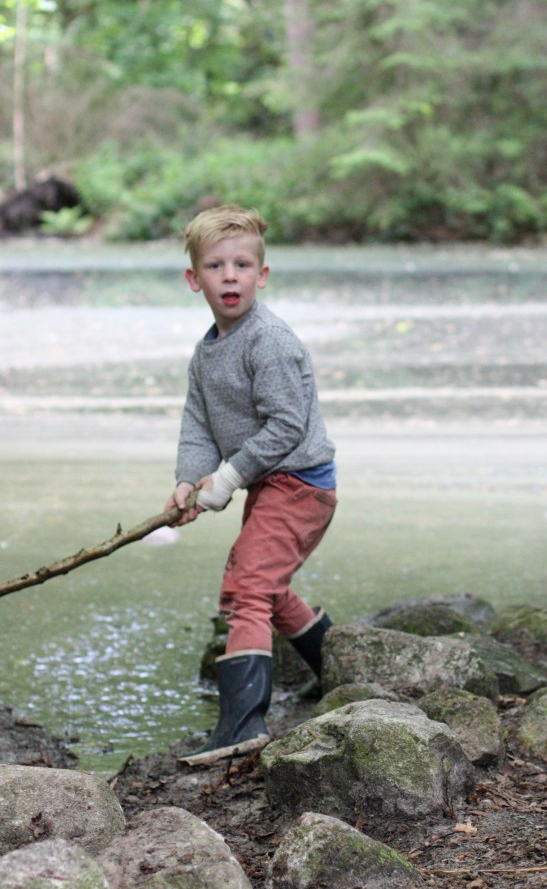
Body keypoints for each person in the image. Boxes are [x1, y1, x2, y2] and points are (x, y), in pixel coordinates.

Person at [165, 204, 337, 766]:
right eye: (216, 266)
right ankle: (336, 669)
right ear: (196, 280)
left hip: (300, 483)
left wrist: (232, 475)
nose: (230, 276)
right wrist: (190, 481)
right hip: (271, 484)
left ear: (261, 275)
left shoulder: (271, 341)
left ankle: (242, 724)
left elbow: (287, 424)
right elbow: (198, 424)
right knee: (261, 584)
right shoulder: (206, 352)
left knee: (247, 590)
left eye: (242, 265)